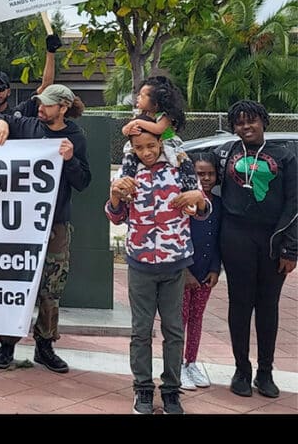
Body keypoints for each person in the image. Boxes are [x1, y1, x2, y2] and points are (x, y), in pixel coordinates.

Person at [0, 84, 91, 374]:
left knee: (51, 289)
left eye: (47, 105)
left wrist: (70, 161)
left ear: (63, 107)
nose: (40, 108)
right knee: (14, 282)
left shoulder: (76, 137)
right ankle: (7, 343)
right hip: (19, 225)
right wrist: (2, 121)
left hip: (55, 224)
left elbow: (83, 182)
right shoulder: (28, 125)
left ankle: (45, 344)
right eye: (40, 104)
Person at [106, 118, 209, 415]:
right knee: (140, 331)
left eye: (151, 146)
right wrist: (115, 195)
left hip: (175, 263)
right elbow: (116, 216)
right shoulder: (128, 172)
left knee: (174, 330)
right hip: (140, 263)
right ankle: (142, 389)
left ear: (161, 142)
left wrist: (199, 200)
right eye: (139, 148)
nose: (146, 152)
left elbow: (201, 210)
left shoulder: (180, 166)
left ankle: (172, 390)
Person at [214, 100, 296, 399]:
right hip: (236, 237)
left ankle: (265, 372)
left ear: (264, 121)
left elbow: (294, 202)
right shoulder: (225, 154)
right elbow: (184, 154)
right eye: (238, 122)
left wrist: (291, 249)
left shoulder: (285, 156)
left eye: (251, 120)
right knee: (239, 304)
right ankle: (241, 369)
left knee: (267, 306)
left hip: (272, 240)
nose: (245, 126)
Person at [179, 152, 222, 391]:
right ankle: (176, 365)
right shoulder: (184, 202)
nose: (205, 178)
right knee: (180, 320)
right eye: (200, 174)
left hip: (206, 274)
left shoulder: (219, 204)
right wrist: (185, 270)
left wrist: (215, 268)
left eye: (210, 174)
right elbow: (178, 236)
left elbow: (217, 239)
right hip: (184, 273)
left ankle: (191, 362)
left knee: (197, 319)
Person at [120, 75, 188, 178]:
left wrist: (138, 122)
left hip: (167, 144)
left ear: (155, 103)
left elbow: (158, 129)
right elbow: (125, 130)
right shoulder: (143, 115)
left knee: (176, 162)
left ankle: (178, 175)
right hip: (149, 146)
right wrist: (129, 130)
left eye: (142, 96)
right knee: (130, 151)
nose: (138, 98)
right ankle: (128, 173)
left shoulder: (164, 116)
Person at [0, 34, 60, 116]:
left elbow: (46, 86)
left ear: (8, 91)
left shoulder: (22, 112)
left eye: (0, 88)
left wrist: (51, 52)